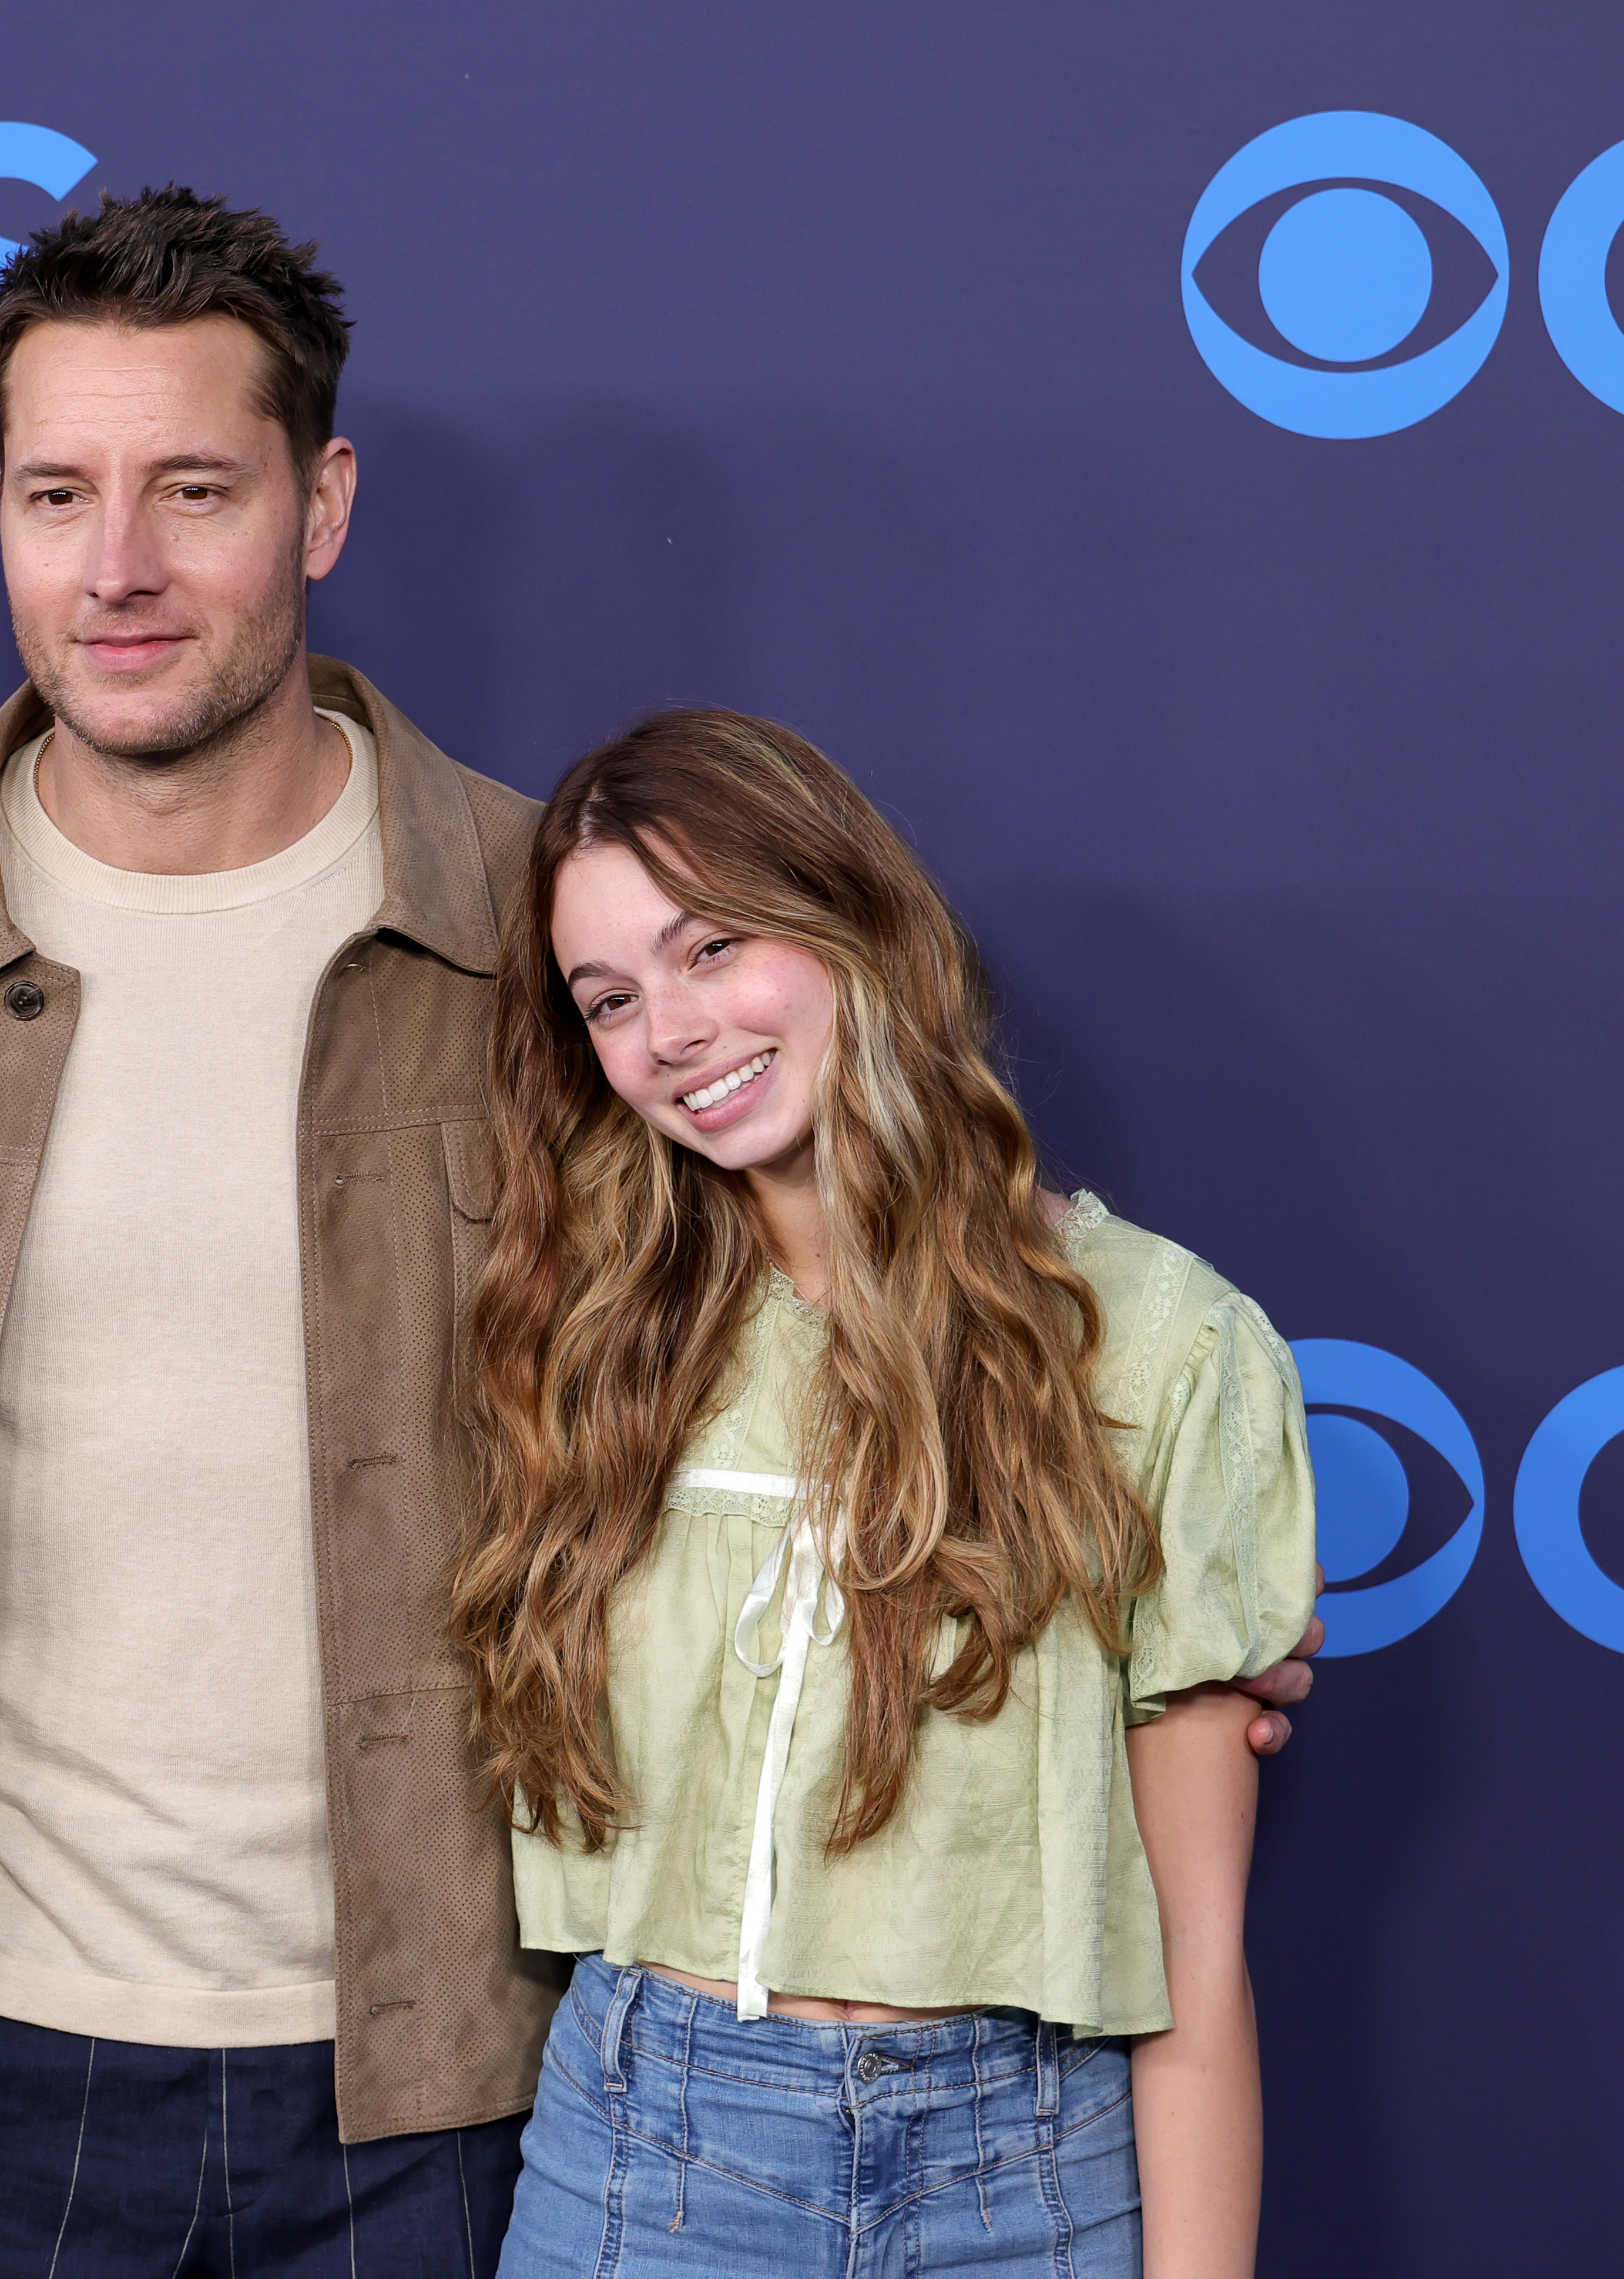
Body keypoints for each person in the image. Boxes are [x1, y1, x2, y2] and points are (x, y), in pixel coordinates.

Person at [0, 194, 1321, 2277]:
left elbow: (856, 1319)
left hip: (454, 2058)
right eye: (57, 493)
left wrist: (1149, 1571)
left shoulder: (545, 920)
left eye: (194, 489)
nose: (116, 567)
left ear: (323, 503)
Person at [458, 710, 1317, 2277]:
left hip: (1029, 2167)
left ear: (851, 918)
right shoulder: (583, 1338)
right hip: (648, 2154)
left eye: (711, 947)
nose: (669, 1032)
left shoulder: (1163, 1343)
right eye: (608, 999)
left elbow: (1195, 1959)